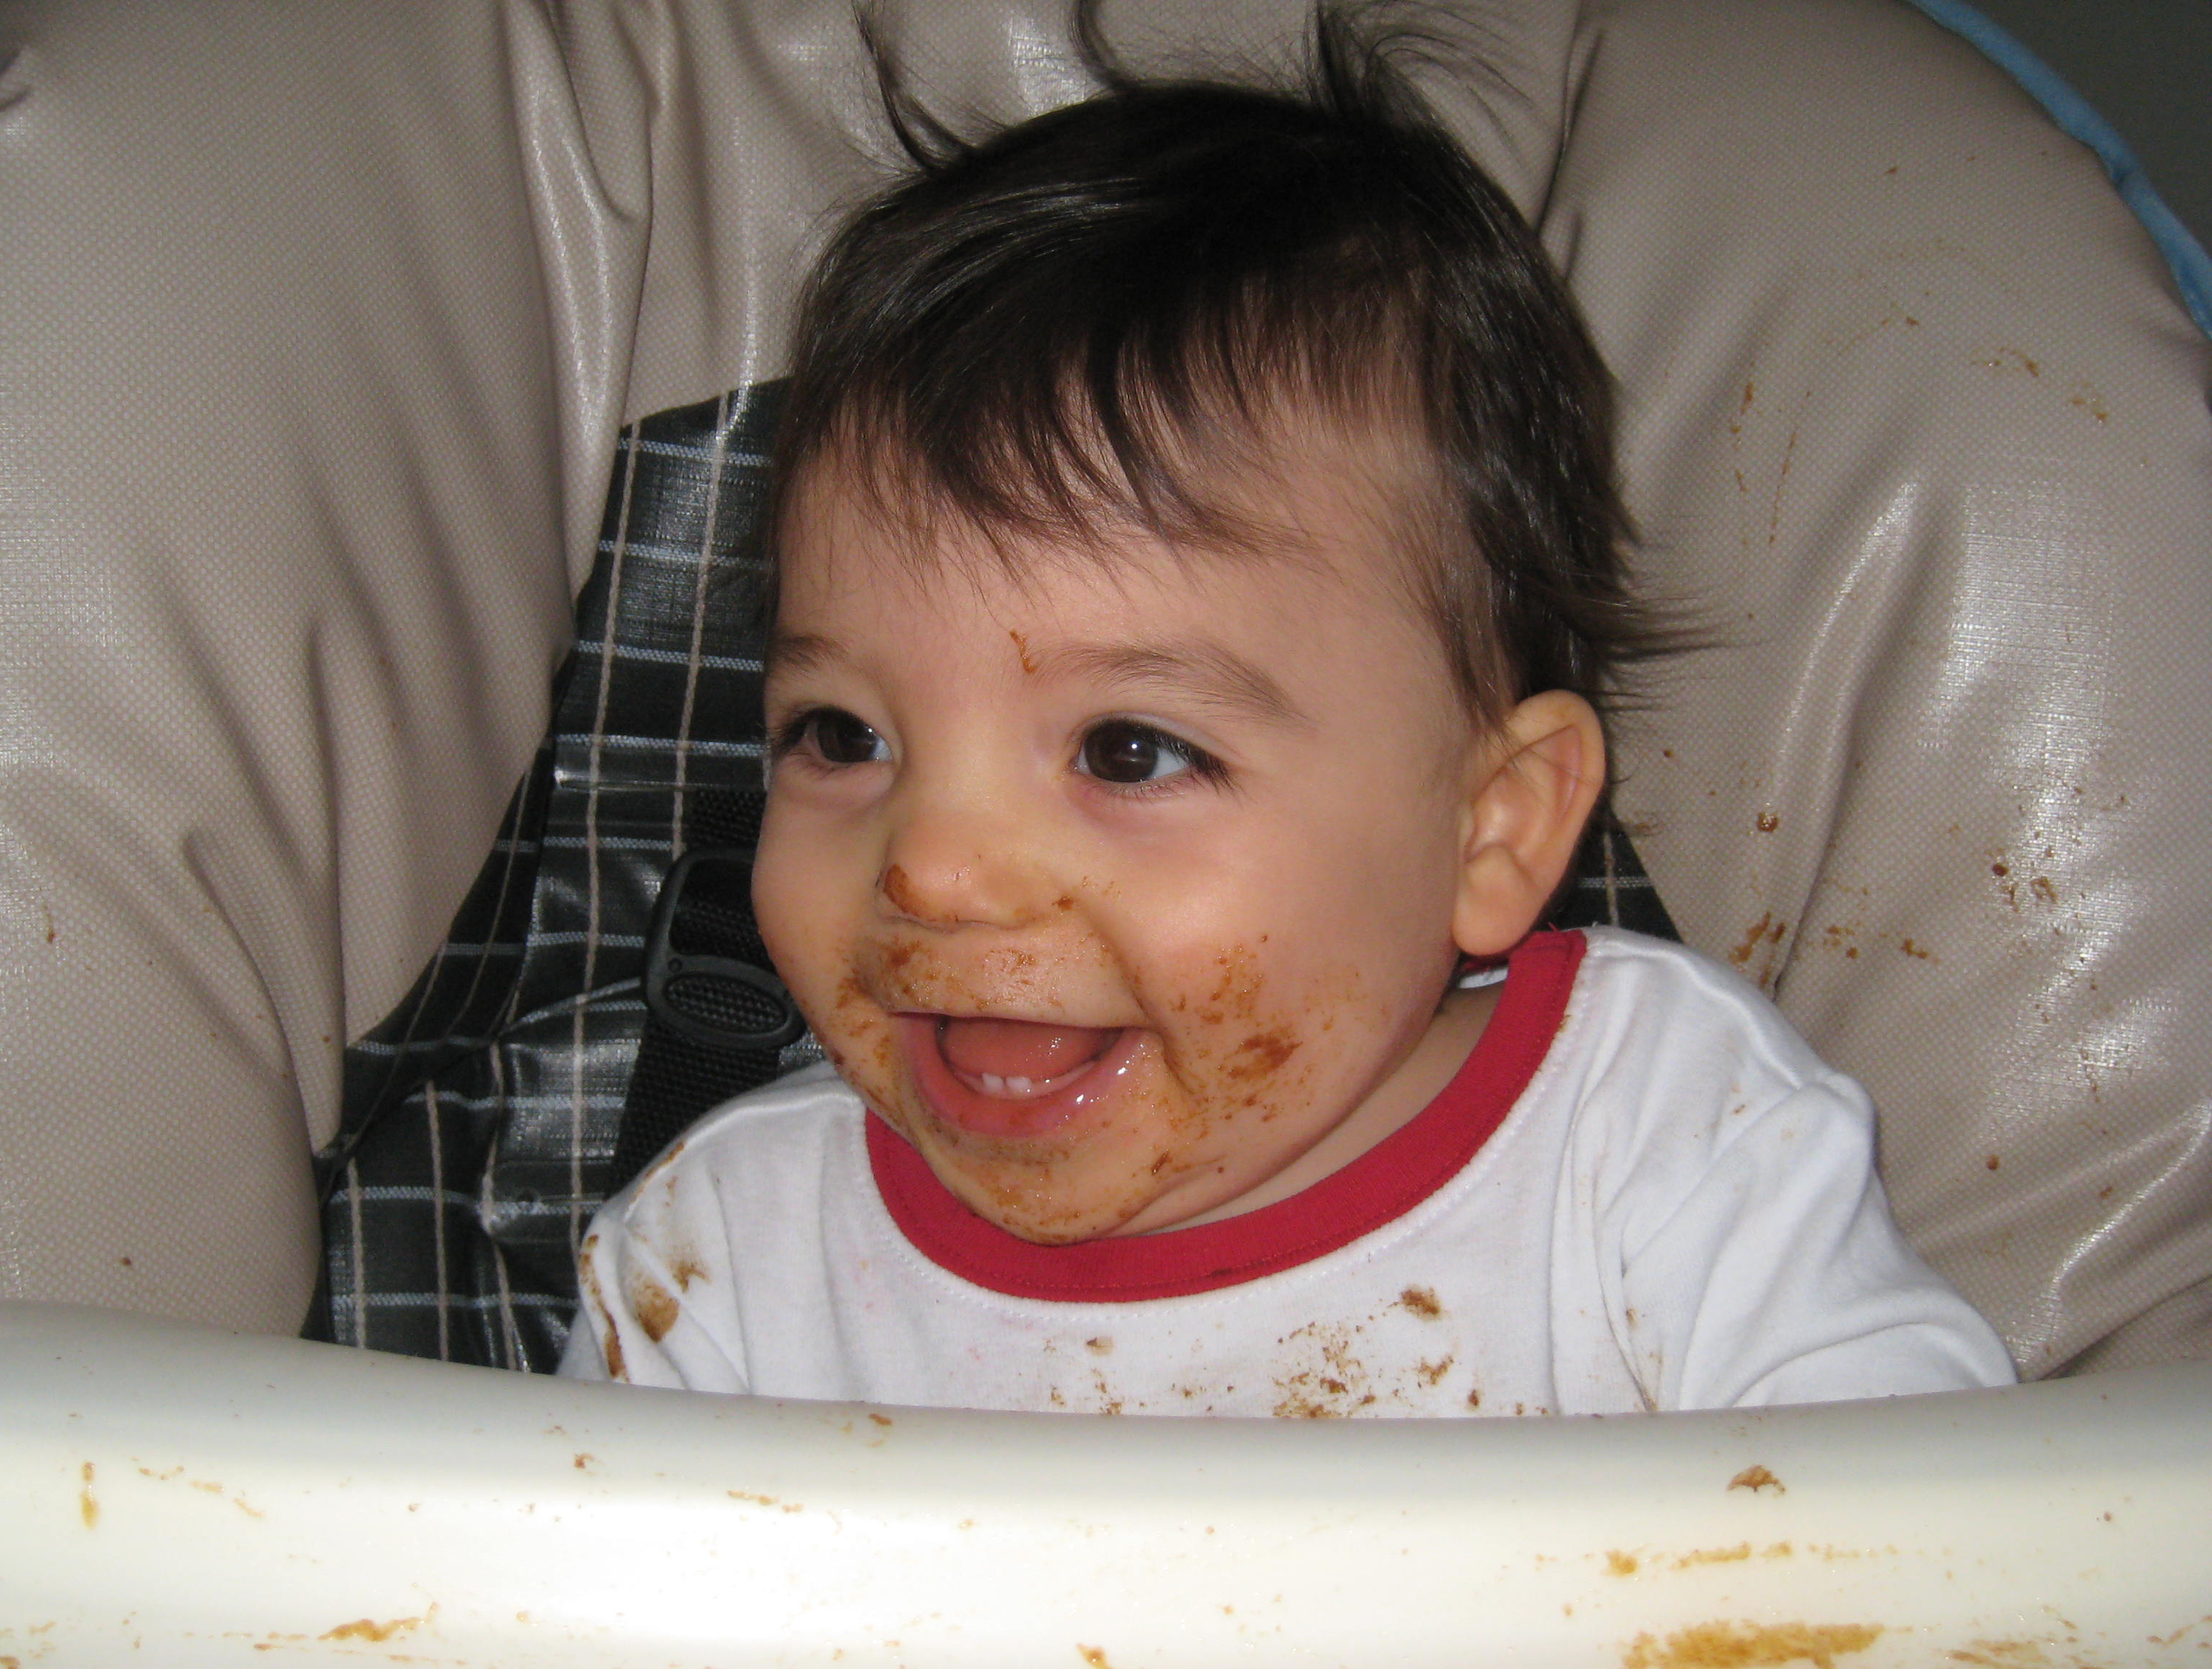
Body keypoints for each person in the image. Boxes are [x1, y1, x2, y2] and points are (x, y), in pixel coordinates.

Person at [559, 3, 2016, 1415]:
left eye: (1128, 750)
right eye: (843, 737)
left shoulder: (1657, 1146)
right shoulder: (727, 1267)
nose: (930, 869)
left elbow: (1946, 1543)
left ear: (1490, 830)